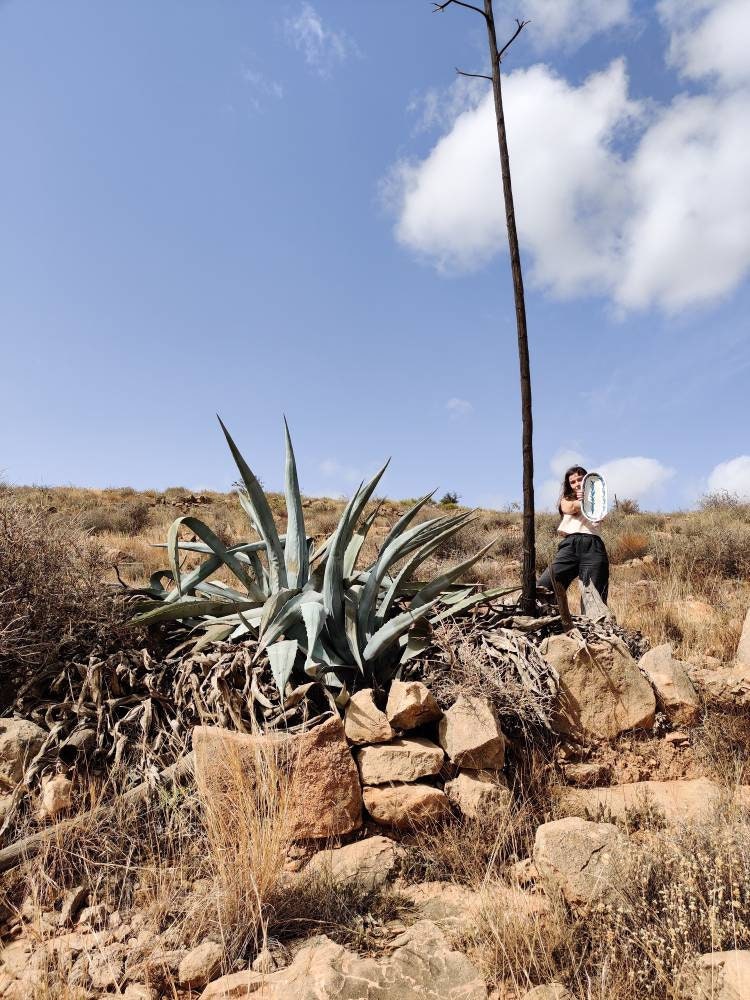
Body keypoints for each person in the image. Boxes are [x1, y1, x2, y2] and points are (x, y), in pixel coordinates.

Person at [536, 465, 609, 601]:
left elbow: (600, 517)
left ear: (587, 480)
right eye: (572, 482)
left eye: (580, 480)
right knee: (545, 585)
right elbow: (568, 508)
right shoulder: (567, 498)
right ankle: (551, 618)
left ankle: (592, 622)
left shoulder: (598, 499)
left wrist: (590, 498)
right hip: (570, 544)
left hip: (593, 545)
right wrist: (582, 501)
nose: (576, 484)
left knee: (595, 596)